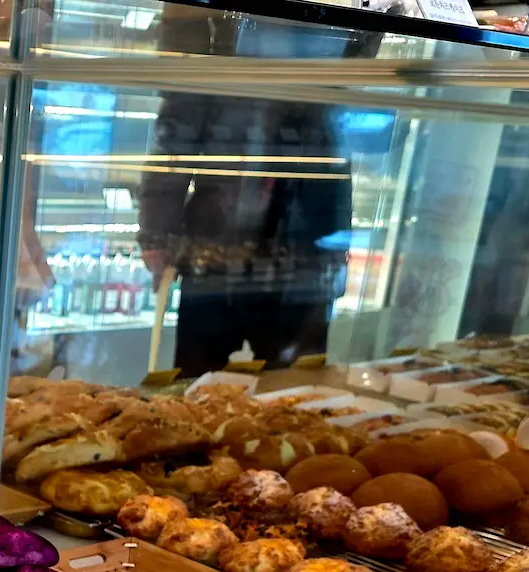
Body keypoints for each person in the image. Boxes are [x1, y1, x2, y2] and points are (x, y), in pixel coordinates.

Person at [137, 9, 364, 373]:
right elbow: (178, 125)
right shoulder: (228, 36)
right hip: (229, 253)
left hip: (292, 251)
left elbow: (177, 128)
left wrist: (157, 232)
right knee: (209, 386)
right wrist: (157, 232)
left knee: (290, 388)